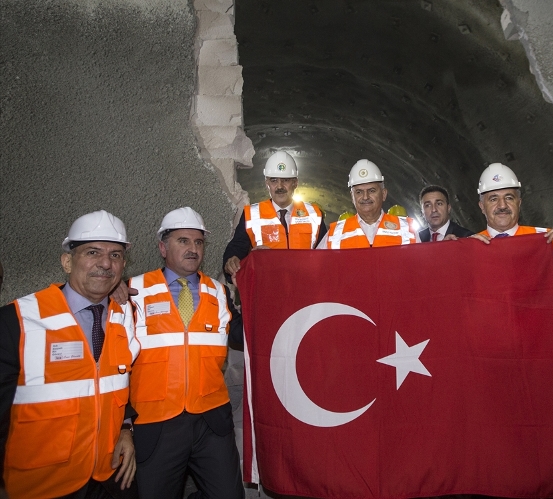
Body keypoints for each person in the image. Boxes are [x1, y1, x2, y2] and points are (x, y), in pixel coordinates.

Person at [0, 210, 138, 499]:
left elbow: (117, 384)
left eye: (115, 255)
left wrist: (126, 428)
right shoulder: (17, 321)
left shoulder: (124, 318)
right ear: (66, 261)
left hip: (109, 479)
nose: (105, 264)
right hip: (42, 487)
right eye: (93, 252)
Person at [129, 207, 244, 499]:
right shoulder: (133, 291)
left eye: (198, 242)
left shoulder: (219, 292)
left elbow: (244, 336)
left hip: (211, 421)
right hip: (156, 422)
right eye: (183, 241)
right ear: (163, 247)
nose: (193, 249)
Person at [471, 163, 553, 298]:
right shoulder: (469, 247)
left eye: (509, 197)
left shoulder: (546, 239)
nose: (502, 205)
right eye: (493, 199)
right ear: (482, 206)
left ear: (519, 202)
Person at [223, 150, 326, 283]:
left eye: (286, 180)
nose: (280, 186)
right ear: (267, 183)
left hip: (305, 288)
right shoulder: (252, 215)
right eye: (274, 180)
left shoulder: (314, 214)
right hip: (268, 289)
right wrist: (232, 259)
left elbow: (326, 254)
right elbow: (237, 247)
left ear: (295, 183)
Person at [318, 159, 416, 248]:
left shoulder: (406, 229)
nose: (365, 197)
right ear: (352, 197)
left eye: (372, 190)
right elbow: (318, 265)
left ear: (384, 194)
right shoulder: (335, 234)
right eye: (359, 192)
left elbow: (420, 265)